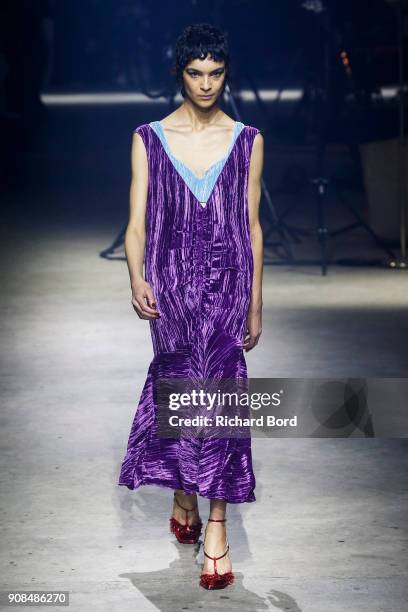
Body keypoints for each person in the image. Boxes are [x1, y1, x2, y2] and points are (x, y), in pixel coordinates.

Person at [118, 22, 264, 590]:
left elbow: (252, 228)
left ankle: (218, 527)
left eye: (216, 73)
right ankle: (184, 492)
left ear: (226, 74)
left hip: (229, 283)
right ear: (180, 74)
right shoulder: (149, 137)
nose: (206, 84)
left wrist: (256, 301)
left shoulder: (248, 139)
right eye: (195, 73)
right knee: (182, 386)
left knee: (223, 394)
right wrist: (136, 278)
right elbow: (134, 225)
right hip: (172, 285)